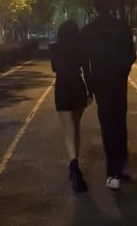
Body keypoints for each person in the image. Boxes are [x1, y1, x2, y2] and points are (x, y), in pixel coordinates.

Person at [81, 0, 136, 191]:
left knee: (107, 126)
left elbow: (84, 62)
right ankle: (120, 169)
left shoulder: (88, 30)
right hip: (119, 82)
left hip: (100, 84)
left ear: (95, 8)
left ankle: (112, 172)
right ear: (110, 7)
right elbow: (131, 55)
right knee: (120, 124)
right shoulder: (121, 27)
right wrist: (123, 73)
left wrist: (89, 85)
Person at [50, 20, 93, 193]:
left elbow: (54, 68)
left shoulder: (54, 48)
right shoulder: (82, 47)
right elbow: (87, 72)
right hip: (77, 87)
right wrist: (91, 92)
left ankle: (74, 165)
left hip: (61, 88)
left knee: (68, 130)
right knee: (76, 127)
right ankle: (75, 164)